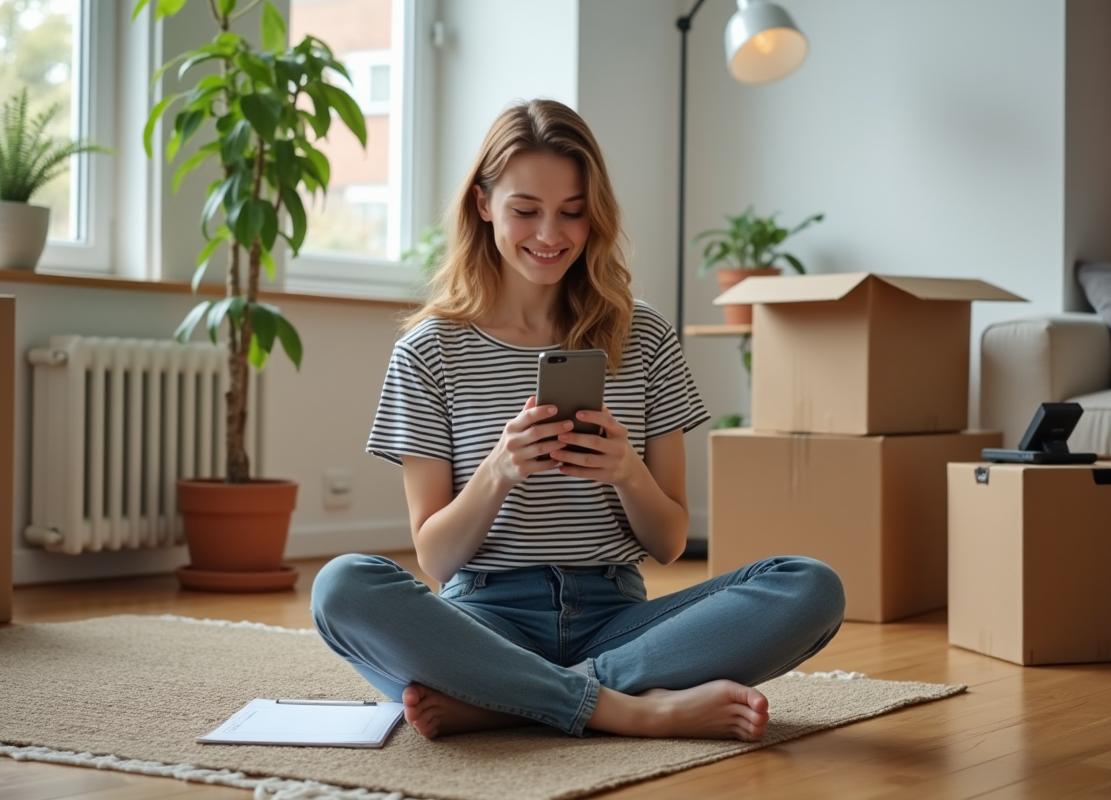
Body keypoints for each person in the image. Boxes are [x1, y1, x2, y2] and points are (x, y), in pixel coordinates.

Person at [311, 99, 844, 742]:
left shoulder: (644, 336)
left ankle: (507, 697)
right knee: (342, 586)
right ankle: (626, 708)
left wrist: (628, 473)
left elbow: (670, 542)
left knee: (810, 586)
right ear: (483, 204)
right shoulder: (428, 351)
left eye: (572, 211)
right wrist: (498, 471)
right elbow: (436, 558)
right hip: (483, 619)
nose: (550, 234)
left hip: (617, 620)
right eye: (525, 210)